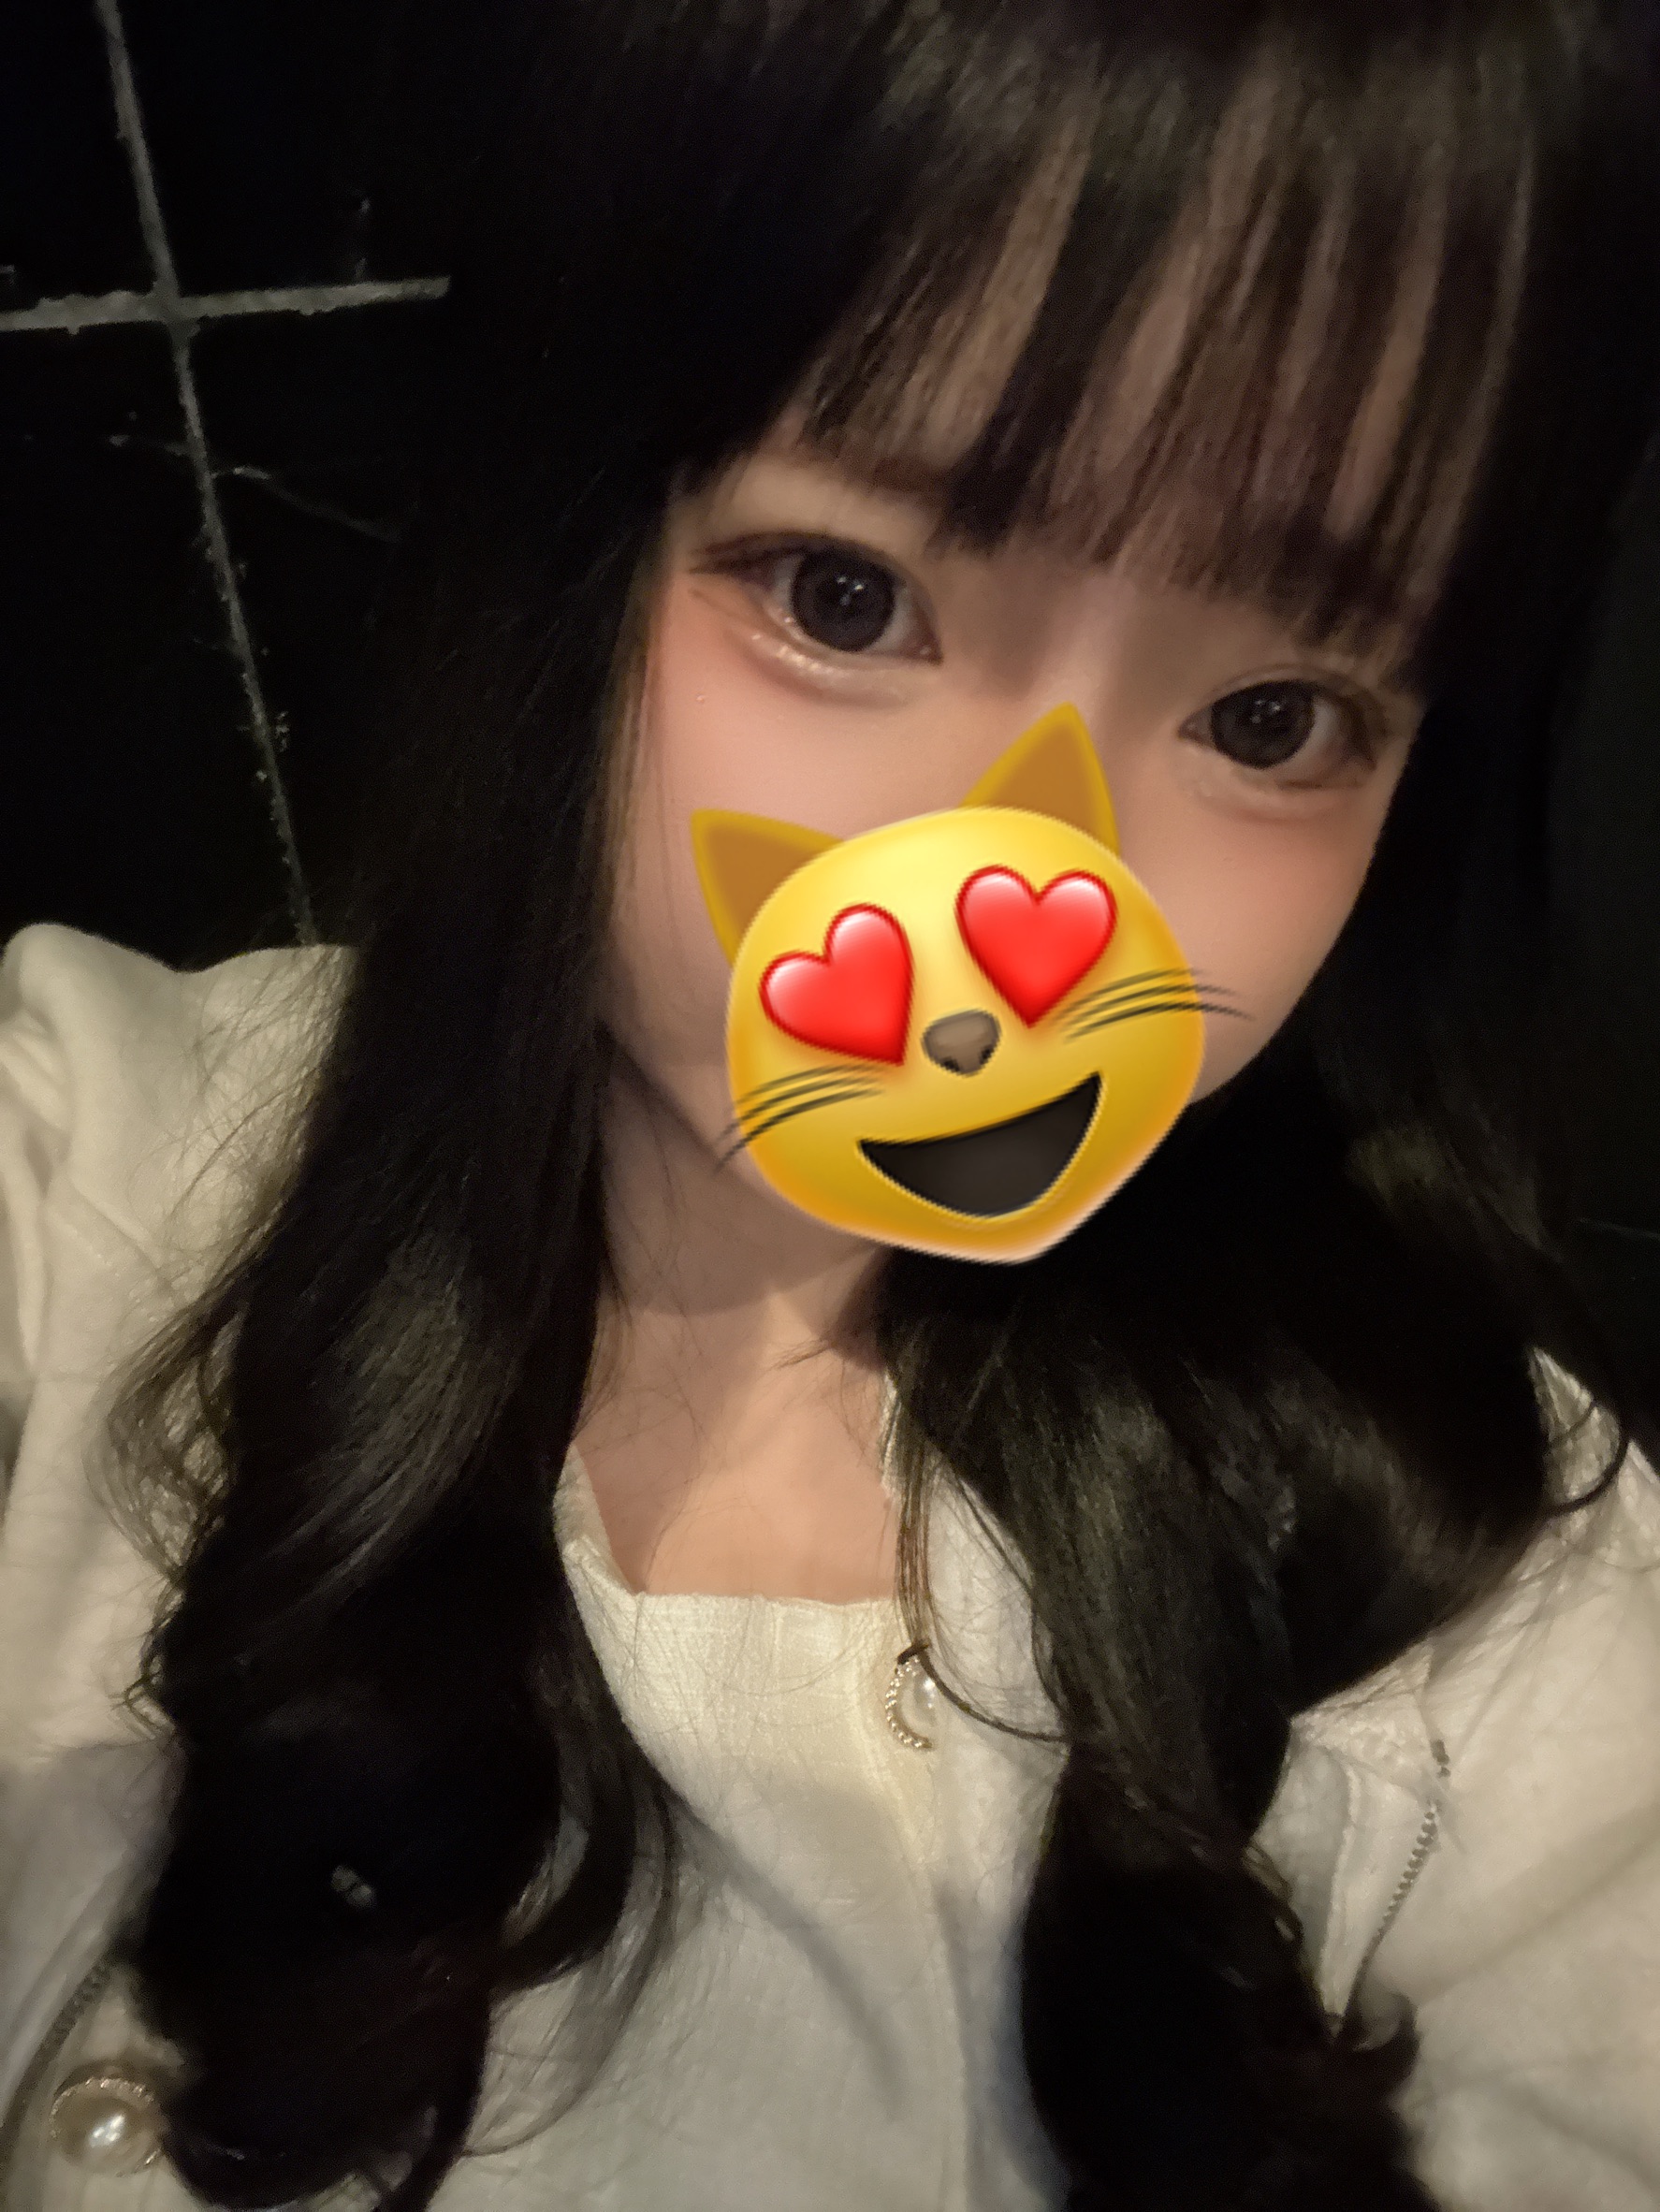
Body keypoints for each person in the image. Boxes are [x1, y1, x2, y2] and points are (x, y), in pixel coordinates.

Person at [3, 2, 1659, 2206]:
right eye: (843, 596)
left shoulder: (1478, 1551)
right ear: (566, 531)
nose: (1034, 910)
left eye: (1271, 717)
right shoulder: (87, 1183)